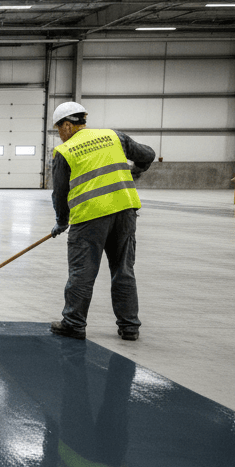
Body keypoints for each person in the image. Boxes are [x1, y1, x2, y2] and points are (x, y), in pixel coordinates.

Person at [48, 102, 156, 341]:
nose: (60, 135)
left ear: (67, 125)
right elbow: (148, 154)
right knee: (123, 271)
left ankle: (74, 324)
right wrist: (137, 170)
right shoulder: (113, 136)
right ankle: (129, 327)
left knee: (82, 272)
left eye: (58, 129)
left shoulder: (65, 152)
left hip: (90, 217)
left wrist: (61, 221)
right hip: (125, 211)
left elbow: (60, 193)